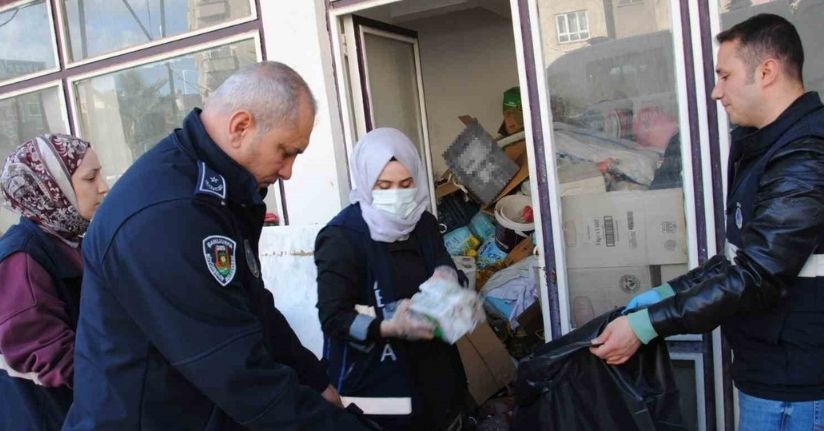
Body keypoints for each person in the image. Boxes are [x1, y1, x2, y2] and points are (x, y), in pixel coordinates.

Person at [62, 62, 369, 430]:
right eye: (286, 152)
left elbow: (252, 307)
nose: (288, 171)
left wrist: (315, 380)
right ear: (240, 127)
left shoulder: (215, 189)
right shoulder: (167, 216)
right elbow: (237, 372)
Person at [590, 14, 824, 430]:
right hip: (770, 373)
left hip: (794, 390)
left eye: (725, 75)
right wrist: (664, 294)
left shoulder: (804, 155)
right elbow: (740, 259)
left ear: (766, 72)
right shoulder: (768, 147)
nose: (716, 92)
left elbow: (757, 275)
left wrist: (645, 326)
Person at [315, 128, 468, 430]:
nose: (396, 194)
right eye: (383, 185)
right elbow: (334, 318)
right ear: (365, 181)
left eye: (406, 183)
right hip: (378, 388)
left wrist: (448, 279)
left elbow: (445, 266)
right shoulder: (342, 237)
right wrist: (387, 325)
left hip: (434, 375)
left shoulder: (423, 224)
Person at [0, 134, 107, 430]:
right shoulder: (21, 258)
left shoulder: (70, 242)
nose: (103, 187)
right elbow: (50, 357)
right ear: (51, 187)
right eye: (90, 178)